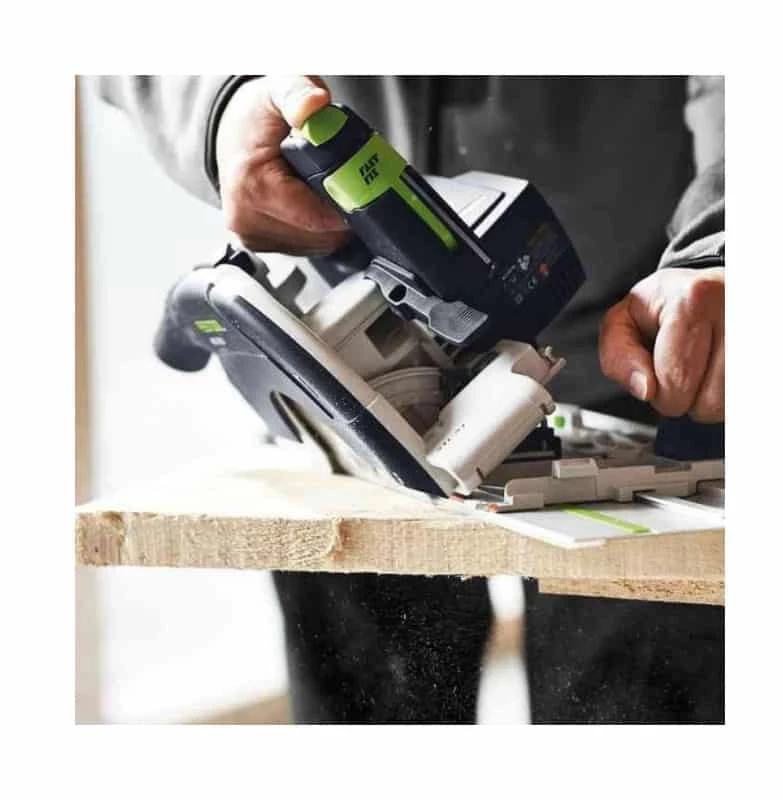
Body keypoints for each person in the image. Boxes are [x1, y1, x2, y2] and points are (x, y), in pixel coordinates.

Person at [98, 75, 725, 723]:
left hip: (640, 333)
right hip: (346, 377)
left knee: (628, 707)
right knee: (369, 713)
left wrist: (720, 241)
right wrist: (220, 105)